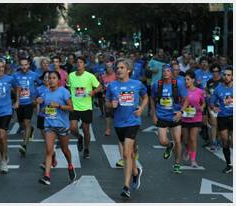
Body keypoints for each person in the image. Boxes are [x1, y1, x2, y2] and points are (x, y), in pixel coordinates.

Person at [106, 58, 148, 198]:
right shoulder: (112, 85)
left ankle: (126, 187)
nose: (119, 70)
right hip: (118, 123)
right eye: (117, 68)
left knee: (126, 154)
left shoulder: (137, 84)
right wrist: (111, 104)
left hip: (133, 121)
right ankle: (136, 172)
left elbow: (145, 97)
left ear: (128, 70)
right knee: (129, 155)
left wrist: (141, 108)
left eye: (122, 67)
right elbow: (107, 102)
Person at [37, 71, 76, 185]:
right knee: (49, 151)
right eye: (49, 78)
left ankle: (70, 165)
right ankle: (47, 176)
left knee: (65, 150)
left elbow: (71, 108)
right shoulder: (45, 92)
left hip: (62, 125)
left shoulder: (64, 92)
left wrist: (59, 105)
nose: (51, 80)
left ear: (59, 80)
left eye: (54, 78)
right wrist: (42, 108)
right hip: (49, 124)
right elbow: (44, 109)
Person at [151, 64, 188, 174]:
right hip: (161, 115)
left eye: (168, 71)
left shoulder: (179, 84)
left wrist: (181, 112)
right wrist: (153, 113)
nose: (166, 73)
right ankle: (169, 146)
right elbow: (152, 98)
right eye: (164, 71)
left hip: (174, 116)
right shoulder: (157, 85)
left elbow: (186, 99)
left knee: (177, 140)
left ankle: (177, 164)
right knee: (162, 141)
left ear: (171, 72)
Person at [68, 56, 102, 159]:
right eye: (77, 62)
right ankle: (79, 137)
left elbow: (100, 86)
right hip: (74, 106)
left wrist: (94, 91)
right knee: (72, 128)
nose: (79, 64)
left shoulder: (90, 76)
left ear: (84, 64)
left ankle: (86, 148)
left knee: (86, 129)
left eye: (81, 62)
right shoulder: (71, 75)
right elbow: (69, 89)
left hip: (86, 107)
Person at [13, 57, 40, 156]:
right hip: (20, 103)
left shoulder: (34, 75)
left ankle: (24, 145)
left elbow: (40, 85)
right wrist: (16, 100)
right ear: (20, 65)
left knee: (26, 122)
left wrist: (36, 97)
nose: (24, 67)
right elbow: (14, 89)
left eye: (26, 65)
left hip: (29, 103)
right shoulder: (15, 76)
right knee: (22, 125)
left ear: (28, 65)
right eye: (22, 65)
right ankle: (31, 129)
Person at [210, 67, 233, 173]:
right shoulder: (218, 88)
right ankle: (228, 164)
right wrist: (214, 107)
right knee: (225, 141)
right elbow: (211, 102)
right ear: (222, 75)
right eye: (225, 75)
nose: (227, 77)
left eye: (229, 75)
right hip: (223, 117)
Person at [181, 71, 205, 167]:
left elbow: (203, 102)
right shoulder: (182, 91)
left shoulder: (199, 91)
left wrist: (202, 106)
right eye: (185, 79)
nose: (186, 81)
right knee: (186, 140)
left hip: (196, 117)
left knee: (193, 138)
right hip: (184, 118)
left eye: (188, 79)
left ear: (193, 80)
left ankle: (193, 159)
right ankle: (187, 150)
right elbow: (179, 103)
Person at [36, 71, 58, 169]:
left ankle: (47, 161)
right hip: (42, 116)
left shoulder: (56, 89)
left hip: (52, 116)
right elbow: (34, 101)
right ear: (43, 79)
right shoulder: (39, 89)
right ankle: (53, 157)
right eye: (46, 78)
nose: (48, 80)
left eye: (50, 78)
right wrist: (37, 101)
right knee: (46, 140)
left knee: (50, 141)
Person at [194, 57, 213, 146]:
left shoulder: (212, 73)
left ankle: (212, 137)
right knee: (204, 120)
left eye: (206, 62)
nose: (204, 64)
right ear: (200, 64)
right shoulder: (196, 73)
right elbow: (193, 85)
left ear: (208, 64)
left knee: (212, 120)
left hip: (211, 99)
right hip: (201, 99)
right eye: (202, 62)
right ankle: (206, 138)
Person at [205, 63, 223, 150]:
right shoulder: (209, 82)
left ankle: (218, 140)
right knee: (214, 124)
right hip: (212, 106)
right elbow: (207, 92)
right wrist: (208, 102)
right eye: (213, 71)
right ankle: (214, 141)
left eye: (217, 71)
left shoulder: (223, 81)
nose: (215, 73)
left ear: (219, 72)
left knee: (219, 124)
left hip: (222, 106)